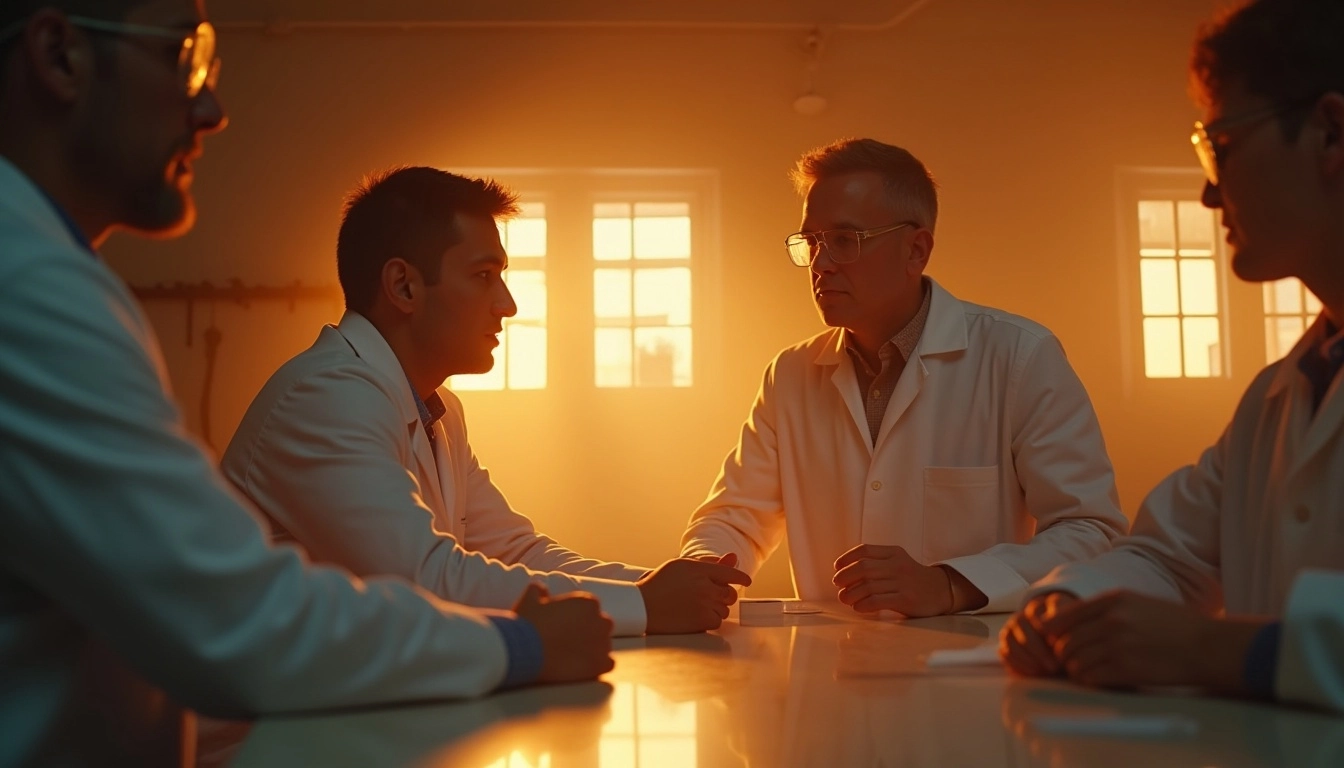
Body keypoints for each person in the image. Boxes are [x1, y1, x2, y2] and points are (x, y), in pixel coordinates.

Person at [0, 2, 612, 765]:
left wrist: (641, 592)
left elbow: (509, 546)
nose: (212, 108)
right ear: (60, 55)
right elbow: (237, 618)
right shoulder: (27, 285)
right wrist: (520, 645)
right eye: (183, 56)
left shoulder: (49, 273)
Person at [221, 165, 749, 638]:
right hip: (276, 734)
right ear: (403, 286)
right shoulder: (327, 395)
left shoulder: (438, 409)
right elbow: (425, 580)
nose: (508, 304)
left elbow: (513, 551)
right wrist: (645, 604)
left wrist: (662, 584)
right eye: (483, 276)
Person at [999, 0, 1344, 714]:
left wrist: (1215, 649)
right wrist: (1067, 605)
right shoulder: (1277, 398)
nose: (1209, 191)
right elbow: (1168, 553)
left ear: (1332, 133)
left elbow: (1198, 629)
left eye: (1221, 144)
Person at [680, 138, 1127, 617]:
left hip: (968, 671)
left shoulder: (1018, 355)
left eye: (845, 241)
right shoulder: (789, 375)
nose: (821, 264)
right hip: (829, 672)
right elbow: (736, 516)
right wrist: (703, 569)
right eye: (811, 242)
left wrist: (950, 584)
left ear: (917, 249)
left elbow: (1090, 532)